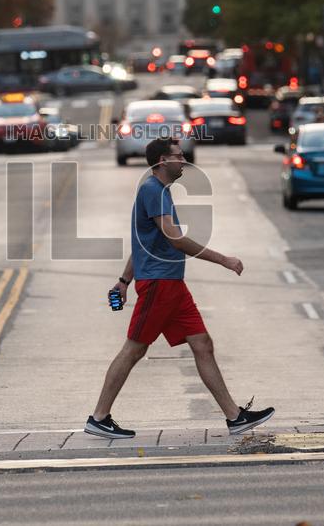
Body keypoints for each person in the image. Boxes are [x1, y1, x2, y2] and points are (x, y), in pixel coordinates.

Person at [84, 138, 275, 439]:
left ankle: (235, 417)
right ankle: (99, 417)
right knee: (134, 348)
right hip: (159, 284)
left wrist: (123, 281)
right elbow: (175, 240)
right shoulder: (152, 191)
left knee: (203, 345)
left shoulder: (158, 191)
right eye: (178, 156)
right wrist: (223, 259)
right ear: (162, 161)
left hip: (172, 284)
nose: (184, 161)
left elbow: (144, 244)